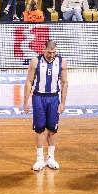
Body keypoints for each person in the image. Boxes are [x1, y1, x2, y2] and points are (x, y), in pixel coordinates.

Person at [24, 40, 68, 171]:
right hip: (39, 97)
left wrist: (63, 102)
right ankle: (39, 159)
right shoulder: (35, 61)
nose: (51, 55)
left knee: (53, 130)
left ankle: (51, 157)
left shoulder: (61, 62)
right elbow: (29, 81)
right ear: (44, 49)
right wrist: (26, 101)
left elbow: (64, 83)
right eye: (49, 52)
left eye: (54, 53)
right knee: (39, 129)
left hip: (54, 98)